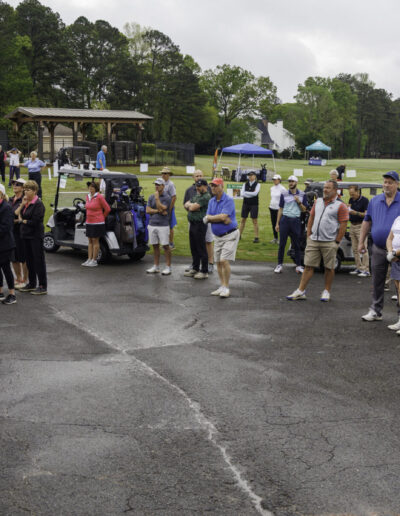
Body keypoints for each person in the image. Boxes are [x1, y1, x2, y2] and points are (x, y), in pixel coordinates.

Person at [287, 180, 348, 302]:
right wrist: (309, 235)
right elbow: (312, 217)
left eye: (328, 188)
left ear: (335, 190)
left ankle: (326, 291)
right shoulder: (318, 201)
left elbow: (343, 224)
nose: (325, 190)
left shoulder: (340, 205)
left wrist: (337, 241)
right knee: (308, 266)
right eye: (324, 187)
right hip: (314, 240)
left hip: (329, 241)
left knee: (329, 268)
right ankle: (301, 291)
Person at [360, 171, 400, 321]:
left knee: (399, 284)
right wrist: (361, 241)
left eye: (390, 182)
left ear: (397, 184)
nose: (386, 185)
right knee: (377, 281)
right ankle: (375, 311)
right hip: (378, 247)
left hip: (398, 251)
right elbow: (367, 221)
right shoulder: (375, 201)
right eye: (385, 182)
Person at [203, 177, 239, 298]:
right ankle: (222, 286)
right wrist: (217, 218)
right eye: (212, 185)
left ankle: (227, 288)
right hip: (217, 236)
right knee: (218, 262)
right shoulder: (211, 201)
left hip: (230, 235)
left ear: (221, 187)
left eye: (215, 185)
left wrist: (212, 218)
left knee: (223, 260)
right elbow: (208, 217)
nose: (213, 188)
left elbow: (222, 217)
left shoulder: (228, 200)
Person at [15, 180, 48, 295]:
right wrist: (22, 205)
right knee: (29, 261)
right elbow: (17, 215)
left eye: (28, 190)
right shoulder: (26, 203)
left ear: (34, 191)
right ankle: (32, 283)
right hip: (26, 235)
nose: (25, 192)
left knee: (38, 261)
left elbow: (35, 222)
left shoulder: (38, 204)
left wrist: (23, 221)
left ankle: (42, 285)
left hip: (35, 236)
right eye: (25, 190)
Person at [274, 175, 308, 274]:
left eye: (292, 181)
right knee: (282, 244)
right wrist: (277, 223)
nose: (290, 183)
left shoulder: (302, 194)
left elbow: (304, 210)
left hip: (296, 220)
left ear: (296, 183)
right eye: (289, 181)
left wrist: (299, 202)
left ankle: (299, 265)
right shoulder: (284, 194)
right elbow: (280, 209)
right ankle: (279, 264)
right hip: (285, 220)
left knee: (296, 244)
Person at [183, 169, 214, 272]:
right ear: (193, 177)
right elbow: (186, 204)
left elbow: (193, 206)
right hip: (193, 221)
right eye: (197, 176)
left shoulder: (207, 191)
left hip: (204, 220)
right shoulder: (190, 190)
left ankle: (209, 264)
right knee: (194, 245)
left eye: (201, 175)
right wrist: (193, 206)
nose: (199, 177)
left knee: (207, 242)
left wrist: (192, 206)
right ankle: (195, 265)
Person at [146, 178, 172, 275]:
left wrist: (157, 199)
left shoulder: (167, 197)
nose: (156, 186)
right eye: (155, 184)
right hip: (152, 224)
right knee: (155, 246)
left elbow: (163, 208)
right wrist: (158, 211)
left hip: (163, 225)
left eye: (158, 185)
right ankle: (156, 266)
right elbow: (147, 210)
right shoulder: (151, 196)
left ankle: (168, 267)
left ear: (163, 186)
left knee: (165, 246)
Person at [82, 181, 111, 267]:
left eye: (92, 187)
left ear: (96, 189)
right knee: (90, 241)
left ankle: (94, 260)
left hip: (97, 222)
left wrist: (102, 217)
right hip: (89, 222)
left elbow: (107, 209)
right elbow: (87, 207)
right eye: (89, 187)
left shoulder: (99, 197)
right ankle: (89, 259)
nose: (90, 189)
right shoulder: (87, 196)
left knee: (95, 241)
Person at [9, 178, 28, 287]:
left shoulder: (24, 200)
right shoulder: (10, 200)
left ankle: (24, 280)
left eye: (18, 184)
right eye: (14, 184)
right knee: (14, 257)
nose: (14, 185)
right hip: (11, 232)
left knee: (23, 257)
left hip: (21, 232)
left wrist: (14, 220)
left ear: (23, 188)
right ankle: (18, 278)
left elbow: (23, 218)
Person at [348, 184, 370, 277]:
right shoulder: (351, 200)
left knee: (363, 248)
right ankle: (359, 267)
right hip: (352, 226)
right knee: (355, 249)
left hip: (361, 226)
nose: (351, 196)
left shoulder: (365, 200)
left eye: (353, 194)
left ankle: (366, 269)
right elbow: (349, 208)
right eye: (350, 194)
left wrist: (355, 213)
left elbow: (366, 214)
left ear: (357, 191)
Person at [0, 184, 17, 304]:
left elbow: (6, 227)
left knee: (6, 268)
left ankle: (12, 294)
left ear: (1, 193)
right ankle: (0, 292)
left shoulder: (6, 207)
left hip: (5, 244)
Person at [386, 218, 400, 331]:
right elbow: (390, 238)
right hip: (396, 260)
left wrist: (394, 254)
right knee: (398, 291)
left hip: (396, 256)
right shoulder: (397, 219)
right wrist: (390, 252)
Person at [239, 171, 260, 243]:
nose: (250, 177)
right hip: (245, 204)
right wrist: (250, 193)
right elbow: (242, 194)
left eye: (251, 175)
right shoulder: (245, 184)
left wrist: (246, 193)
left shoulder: (258, 184)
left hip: (254, 204)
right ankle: (239, 235)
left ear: (255, 176)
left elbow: (255, 194)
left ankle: (256, 237)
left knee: (255, 221)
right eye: (249, 176)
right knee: (243, 220)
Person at [160, 167, 177, 249]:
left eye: (165, 173)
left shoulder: (170, 184)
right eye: (162, 173)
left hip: (169, 208)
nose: (163, 175)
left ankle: (171, 243)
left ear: (169, 175)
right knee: (163, 226)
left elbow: (174, 197)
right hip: (162, 208)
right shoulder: (161, 183)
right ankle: (165, 243)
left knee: (170, 226)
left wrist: (170, 209)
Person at [269, 174, 286, 244]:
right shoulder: (272, 188)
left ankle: (281, 239)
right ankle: (275, 238)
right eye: (273, 179)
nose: (274, 181)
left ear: (279, 180)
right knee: (273, 223)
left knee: (280, 224)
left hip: (279, 209)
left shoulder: (283, 189)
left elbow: (285, 199)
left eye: (275, 179)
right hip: (272, 207)